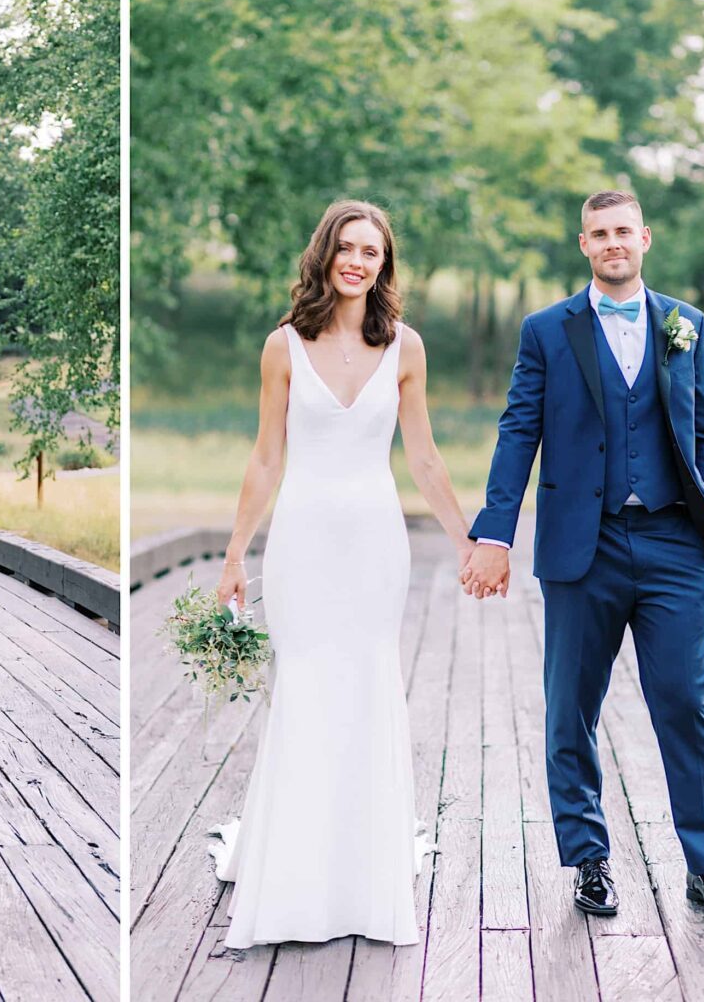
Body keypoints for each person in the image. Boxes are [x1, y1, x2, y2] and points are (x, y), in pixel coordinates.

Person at [460, 189, 704, 920]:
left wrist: (702, 511)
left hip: (671, 542)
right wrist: (493, 533)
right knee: (570, 710)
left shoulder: (686, 324)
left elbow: (703, 431)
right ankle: (588, 861)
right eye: (598, 233)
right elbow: (517, 430)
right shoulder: (544, 331)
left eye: (623, 230)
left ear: (643, 238)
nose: (612, 242)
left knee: (685, 701)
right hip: (579, 549)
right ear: (582, 243)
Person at [209, 199, 473, 948]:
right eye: (347, 248)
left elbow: (421, 456)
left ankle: (363, 874)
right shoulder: (282, 346)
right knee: (306, 687)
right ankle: (296, 874)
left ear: (385, 266)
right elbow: (265, 457)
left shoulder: (407, 348)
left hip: (373, 543)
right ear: (324, 256)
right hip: (301, 541)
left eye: (373, 252)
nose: (358, 262)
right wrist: (235, 554)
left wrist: (465, 541)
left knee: (364, 684)